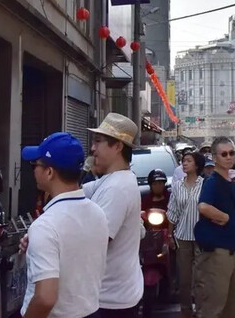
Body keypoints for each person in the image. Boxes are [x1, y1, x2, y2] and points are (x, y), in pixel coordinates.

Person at [21, 132, 109, 318]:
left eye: (35, 165)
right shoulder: (98, 214)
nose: (33, 170)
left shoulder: (46, 226)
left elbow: (45, 298)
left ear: (50, 172)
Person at [85, 113, 144, 317]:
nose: (93, 149)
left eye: (98, 141)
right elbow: (74, 193)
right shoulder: (109, 181)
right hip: (111, 296)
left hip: (111, 301)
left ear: (118, 146)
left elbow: (96, 243)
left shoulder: (117, 187)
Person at [194, 137, 235, 318]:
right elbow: (203, 206)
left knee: (231, 307)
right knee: (214, 307)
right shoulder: (212, 182)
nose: (229, 157)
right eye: (224, 154)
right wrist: (222, 217)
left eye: (231, 153)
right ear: (215, 158)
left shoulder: (232, 185)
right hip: (219, 253)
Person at [167, 151, 205, 318]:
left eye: (189, 161)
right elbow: (172, 212)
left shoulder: (205, 185)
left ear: (197, 164)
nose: (184, 163)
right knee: (184, 279)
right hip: (182, 237)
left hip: (201, 238)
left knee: (201, 278)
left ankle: (202, 310)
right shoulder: (177, 186)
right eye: (183, 161)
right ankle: (186, 311)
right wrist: (169, 235)